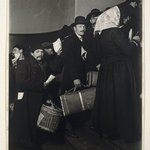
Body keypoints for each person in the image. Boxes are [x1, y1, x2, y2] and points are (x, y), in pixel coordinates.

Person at [92, 3, 141, 144]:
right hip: (120, 70)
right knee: (122, 99)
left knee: (110, 101)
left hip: (107, 70)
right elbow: (127, 50)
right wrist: (135, 41)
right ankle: (126, 132)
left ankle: (110, 131)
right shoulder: (115, 31)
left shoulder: (101, 34)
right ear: (114, 17)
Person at [10, 43, 53, 150]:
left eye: (42, 52)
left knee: (33, 123)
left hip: (36, 98)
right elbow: (20, 82)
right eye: (38, 52)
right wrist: (40, 86)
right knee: (26, 123)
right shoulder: (24, 62)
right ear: (32, 53)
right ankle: (26, 145)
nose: (41, 54)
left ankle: (31, 144)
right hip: (27, 99)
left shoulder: (42, 64)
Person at [61, 16, 89, 137]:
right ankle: (67, 128)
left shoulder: (85, 40)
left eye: (84, 26)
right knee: (69, 102)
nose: (82, 28)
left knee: (79, 101)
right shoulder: (68, 41)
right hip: (71, 77)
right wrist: (75, 77)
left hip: (81, 75)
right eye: (80, 26)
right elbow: (68, 61)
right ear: (74, 28)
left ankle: (77, 125)